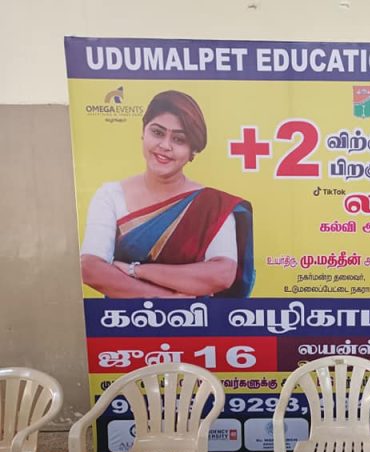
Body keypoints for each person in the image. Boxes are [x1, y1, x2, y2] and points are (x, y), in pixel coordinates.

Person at [80, 90, 255, 298]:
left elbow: (222, 274)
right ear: (143, 132)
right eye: (157, 132)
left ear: (192, 151)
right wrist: (168, 300)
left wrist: (136, 270)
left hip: (196, 317)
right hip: (126, 317)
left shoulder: (212, 205)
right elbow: (90, 268)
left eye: (179, 139)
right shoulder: (110, 196)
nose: (165, 146)